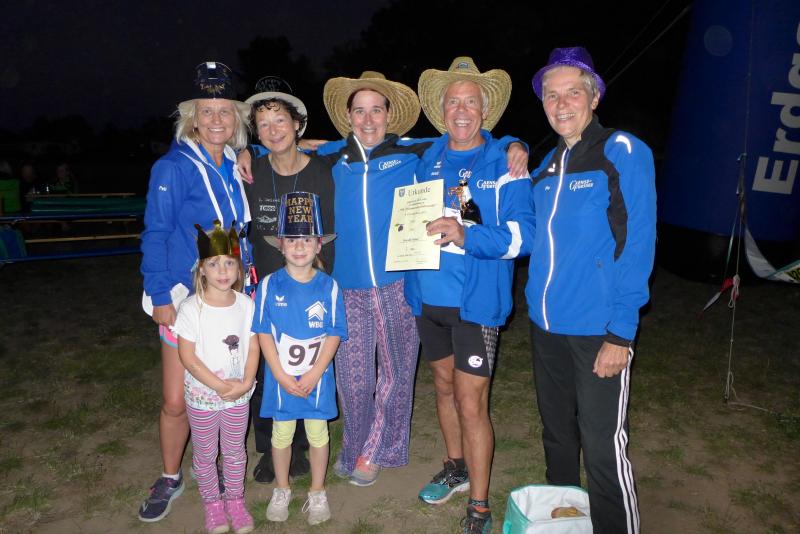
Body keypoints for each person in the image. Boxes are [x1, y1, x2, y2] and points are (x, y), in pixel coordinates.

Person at [239, 72, 527, 487]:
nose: (368, 119)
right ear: (348, 116)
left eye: (377, 110)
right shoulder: (333, 156)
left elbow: (473, 139)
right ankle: (356, 446)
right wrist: (246, 151)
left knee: (395, 375)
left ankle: (378, 451)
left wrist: (516, 143)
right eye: (359, 111)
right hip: (346, 287)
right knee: (353, 381)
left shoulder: (413, 151)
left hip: (397, 283)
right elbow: (281, 145)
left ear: (390, 115)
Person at [526, 47, 656, 534]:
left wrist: (621, 332)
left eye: (572, 93)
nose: (561, 104)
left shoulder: (620, 151)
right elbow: (525, 234)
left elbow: (638, 241)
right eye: (551, 96)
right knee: (558, 438)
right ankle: (564, 523)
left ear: (594, 97)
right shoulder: (546, 167)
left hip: (598, 329)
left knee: (602, 447)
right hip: (546, 327)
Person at [405, 57, 535, 534]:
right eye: (453, 102)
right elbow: (371, 142)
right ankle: (455, 467)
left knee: (471, 403)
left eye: (470, 102)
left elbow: (524, 237)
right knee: (442, 388)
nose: (461, 110)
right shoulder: (426, 156)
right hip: (428, 298)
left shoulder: (507, 161)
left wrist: (466, 235)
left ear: (485, 110)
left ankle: (479, 505)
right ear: (442, 111)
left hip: (476, 305)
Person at [139, 61, 253, 522]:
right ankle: (171, 476)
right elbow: (155, 231)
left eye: (225, 111)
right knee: (175, 399)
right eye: (207, 111)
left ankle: (224, 471)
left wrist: (250, 151)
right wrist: (159, 294)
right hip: (184, 297)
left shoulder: (235, 164)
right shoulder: (172, 166)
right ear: (192, 118)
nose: (216, 120)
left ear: (236, 119)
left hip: (230, 294)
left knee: (228, 383)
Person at [242, 77, 334, 484]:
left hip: (310, 284)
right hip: (265, 286)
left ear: (298, 124)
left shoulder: (322, 173)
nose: (272, 130)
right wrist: (245, 150)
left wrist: (321, 288)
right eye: (263, 124)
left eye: (280, 120)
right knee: (267, 368)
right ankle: (270, 449)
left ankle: (301, 444)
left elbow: (329, 231)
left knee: (307, 363)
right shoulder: (251, 172)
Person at [252, 192, 346, 525]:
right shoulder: (267, 286)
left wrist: (314, 374)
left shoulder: (329, 287)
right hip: (282, 380)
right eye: (291, 239)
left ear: (319, 245)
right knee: (281, 435)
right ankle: (282, 488)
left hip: (316, 380)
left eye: (307, 239)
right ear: (280, 245)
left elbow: (334, 333)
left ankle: (317, 491)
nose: (299, 246)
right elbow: (263, 332)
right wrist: (279, 374)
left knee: (319, 434)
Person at [174, 221, 258, 534]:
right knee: (206, 455)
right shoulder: (190, 308)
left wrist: (246, 382)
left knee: (235, 452)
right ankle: (212, 505)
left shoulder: (246, 305)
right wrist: (221, 386)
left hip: (239, 396)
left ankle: (235, 501)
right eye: (213, 263)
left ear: (238, 267)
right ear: (202, 269)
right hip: (203, 398)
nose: (222, 270)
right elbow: (188, 357)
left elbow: (253, 347)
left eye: (229, 263)